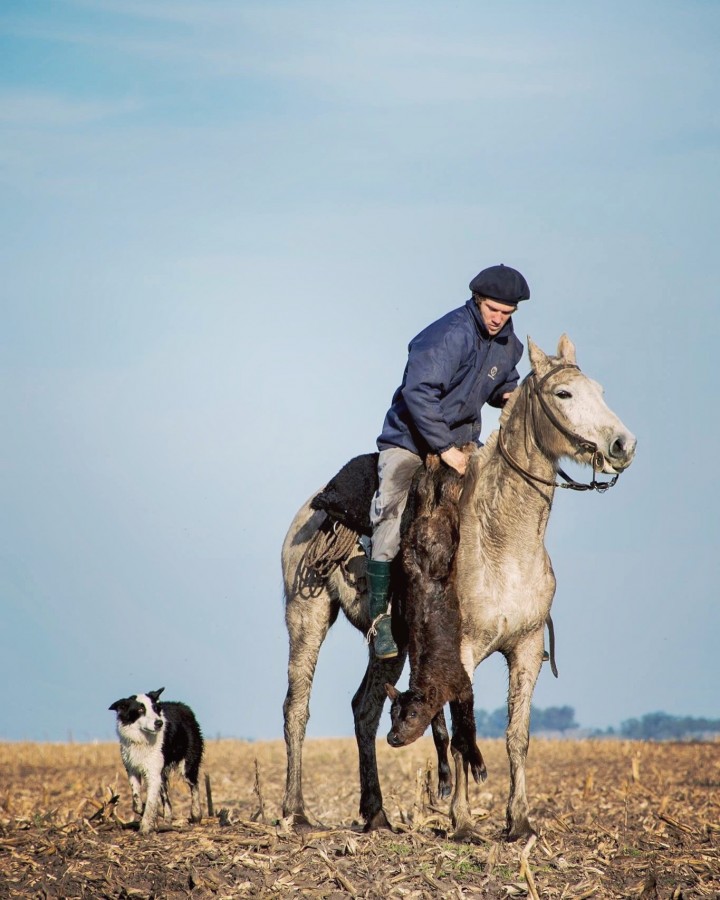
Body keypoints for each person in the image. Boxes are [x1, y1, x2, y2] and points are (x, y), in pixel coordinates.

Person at [367, 263, 530, 658]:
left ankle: (513, 614)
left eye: (507, 314)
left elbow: (498, 384)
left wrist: (514, 394)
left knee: (498, 511)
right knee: (390, 508)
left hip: (462, 444)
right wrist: (444, 449)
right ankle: (378, 619)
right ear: (478, 300)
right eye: (493, 310)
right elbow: (418, 393)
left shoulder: (509, 345)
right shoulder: (449, 335)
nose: (498, 319)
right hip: (409, 440)